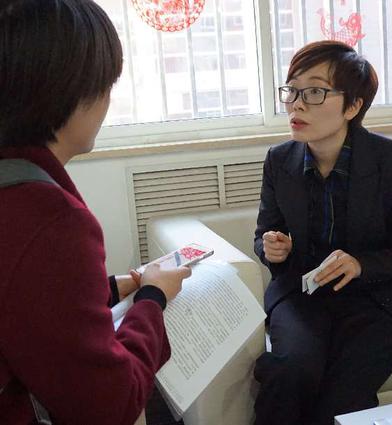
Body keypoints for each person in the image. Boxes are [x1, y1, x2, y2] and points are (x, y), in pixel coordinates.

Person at [0, 1, 190, 424]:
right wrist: (153, 298)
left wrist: (114, 288)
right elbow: (109, 406)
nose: (107, 101)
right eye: (104, 84)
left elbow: (25, 299)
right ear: (65, 88)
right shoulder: (49, 218)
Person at [253, 40, 392, 425]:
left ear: (353, 106)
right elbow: (264, 233)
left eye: (314, 92)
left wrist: (360, 264)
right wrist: (271, 246)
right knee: (289, 372)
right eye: (292, 90)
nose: (296, 105)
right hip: (303, 295)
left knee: (342, 400)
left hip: (376, 300)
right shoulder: (279, 160)